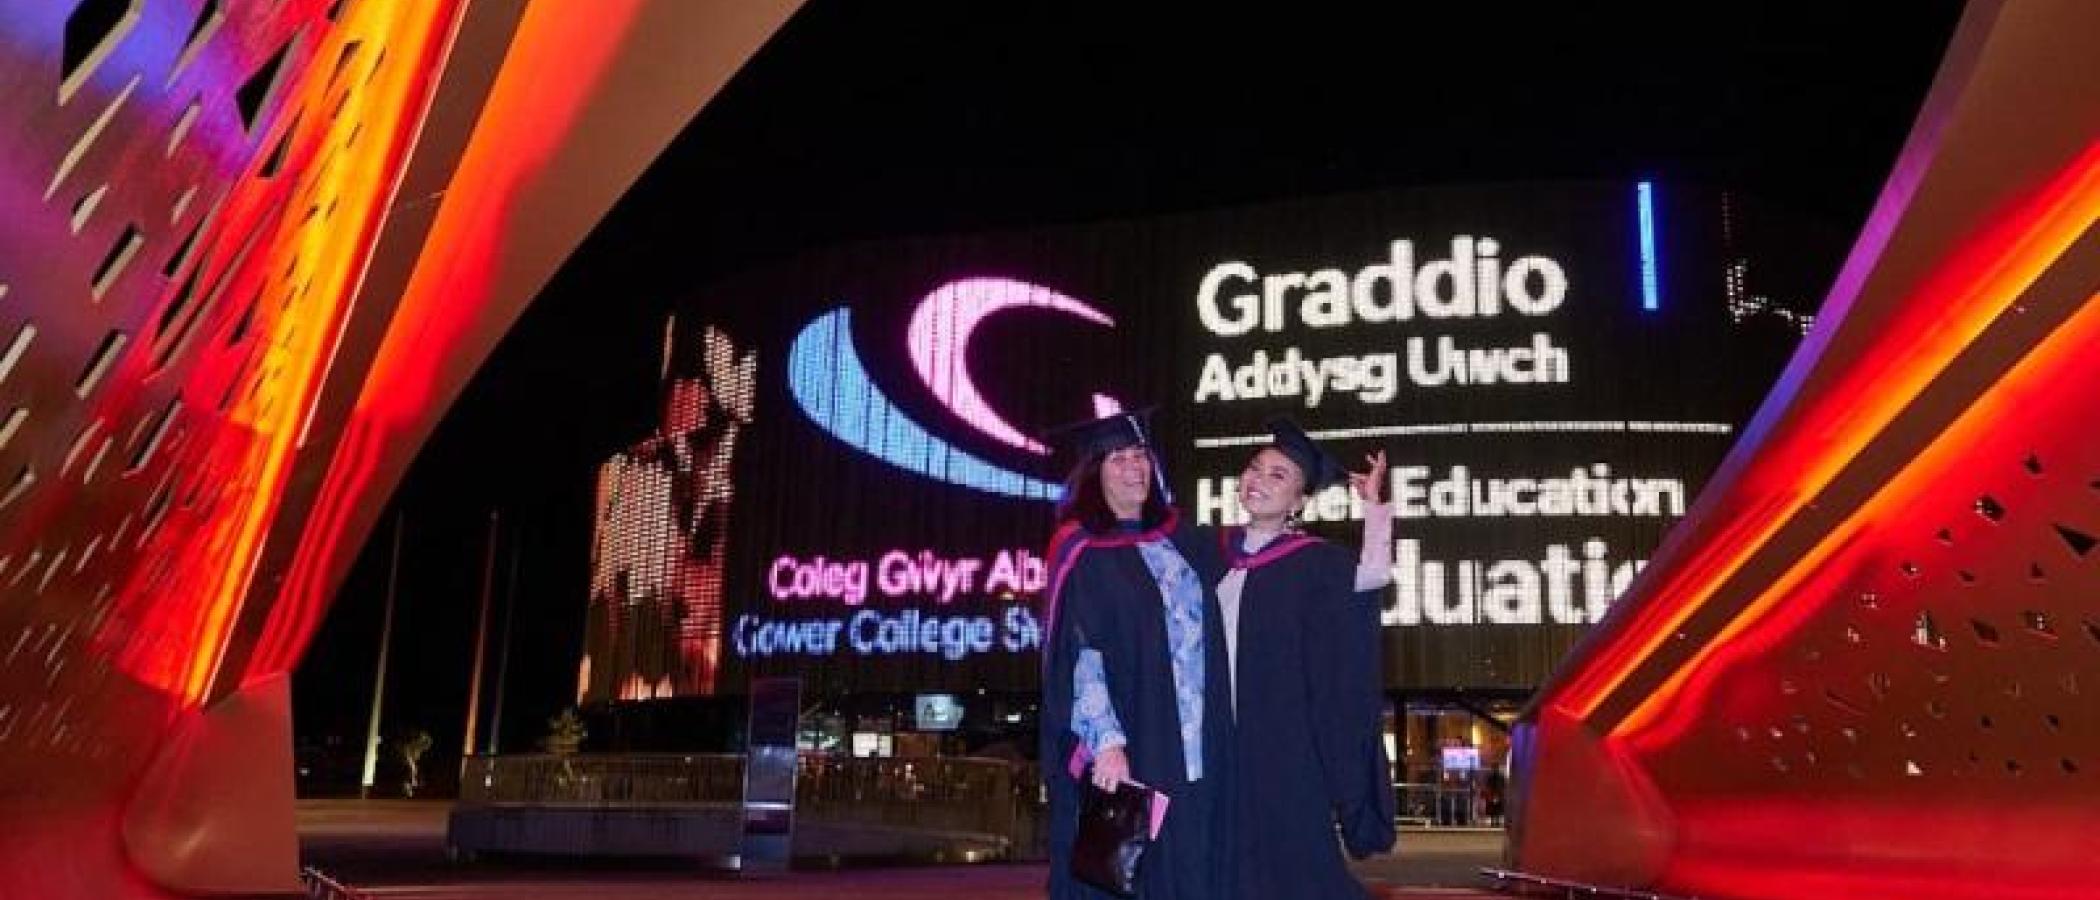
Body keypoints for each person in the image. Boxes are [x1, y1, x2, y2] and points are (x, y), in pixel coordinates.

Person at [1038, 411, 1229, 899]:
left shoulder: (1181, 539)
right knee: (1136, 873)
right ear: (1094, 474)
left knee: (1197, 863)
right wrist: (1105, 742)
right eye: (1118, 459)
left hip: (1198, 741)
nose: (1134, 468)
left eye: (1140, 456)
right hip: (1136, 735)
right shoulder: (1082, 549)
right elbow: (1081, 654)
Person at [1213, 418, 1397, 899]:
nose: (1259, 479)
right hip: (1212, 739)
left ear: (1298, 502)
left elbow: (1370, 581)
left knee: (1294, 867)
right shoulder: (1207, 552)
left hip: (1283, 744)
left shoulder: (1314, 562)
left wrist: (1374, 509)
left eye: (1278, 475)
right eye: (1255, 468)